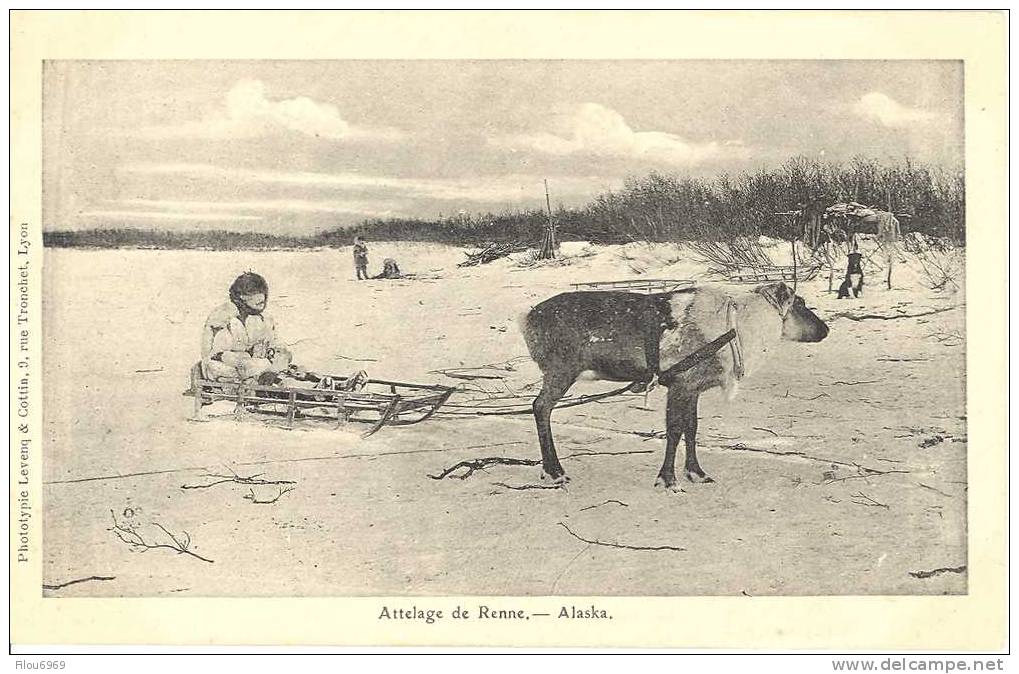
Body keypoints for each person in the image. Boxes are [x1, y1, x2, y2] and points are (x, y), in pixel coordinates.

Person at [201, 272, 293, 383]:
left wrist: (280, 355)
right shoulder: (223, 317)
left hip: (254, 367)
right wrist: (254, 363)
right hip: (223, 368)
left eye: (262, 292)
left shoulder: (261, 318)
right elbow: (216, 355)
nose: (262, 298)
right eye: (254, 293)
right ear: (242, 297)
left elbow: (275, 343)